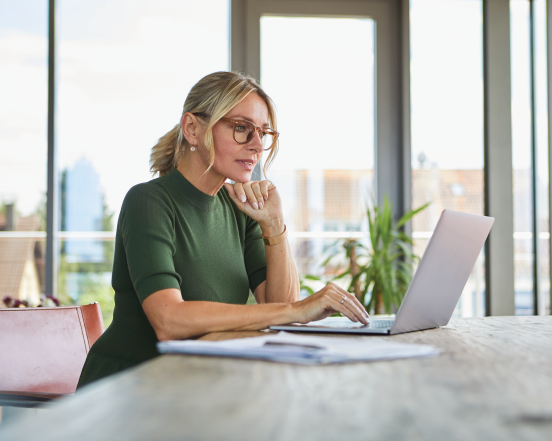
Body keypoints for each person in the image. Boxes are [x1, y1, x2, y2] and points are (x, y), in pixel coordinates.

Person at [77, 71, 369, 387]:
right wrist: (298, 309)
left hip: (200, 383)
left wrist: (273, 225)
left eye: (264, 132)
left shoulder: (238, 208)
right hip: (129, 388)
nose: (258, 145)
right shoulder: (149, 201)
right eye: (242, 128)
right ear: (192, 128)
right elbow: (169, 320)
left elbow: (277, 307)